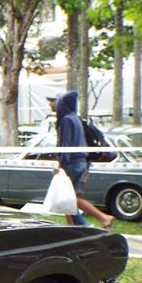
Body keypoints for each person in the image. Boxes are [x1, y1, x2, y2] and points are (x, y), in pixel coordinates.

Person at [49, 92, 114, 229]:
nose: (51, 104)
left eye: (55, 101)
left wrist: (60, 164)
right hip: (81, 161)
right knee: (68, 196)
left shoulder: (66, 120)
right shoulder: (75, 118)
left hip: (72, 162)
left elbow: (66, 145)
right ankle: (72, 226)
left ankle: (99, 219)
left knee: (68, 197)